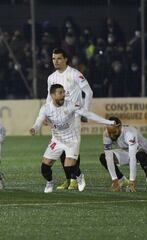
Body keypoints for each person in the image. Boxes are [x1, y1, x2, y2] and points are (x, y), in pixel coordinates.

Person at [30, 84, 114, 193]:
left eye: (64, 92)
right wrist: (34, 128)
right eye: (60, 93)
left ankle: (79, 176)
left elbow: (89, 115)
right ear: (52, 95)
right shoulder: (46, 108)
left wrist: (109, 122)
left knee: (69, 167)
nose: (63, 95)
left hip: (72, 140)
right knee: (44, 168)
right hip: (57, 140)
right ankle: (49, 182)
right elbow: (39, 120)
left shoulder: (71, 105)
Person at [46, 48, 93, 191]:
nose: (56, 61)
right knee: (60, 147)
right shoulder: (51, 78)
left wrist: (85, 111)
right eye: (53, 59)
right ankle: (69, 178)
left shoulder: (74, 74)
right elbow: (49, 97)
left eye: (59, 58)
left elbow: (89, 92)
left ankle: (74, 179)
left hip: (73, 117)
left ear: (66, 59)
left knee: (72, 147)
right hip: (57, 118)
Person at [98, 117, 147, 192]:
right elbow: (108, 157)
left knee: (140, 155)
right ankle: (121, 179)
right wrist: (114, 180)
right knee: (104, 157)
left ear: (119, 127)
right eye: (110, 132)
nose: (111, 136)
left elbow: (132, 157)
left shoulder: (129, 134)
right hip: (126, 151)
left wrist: (132, 181)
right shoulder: (106, 134)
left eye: (114, 132)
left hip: (142, 150)